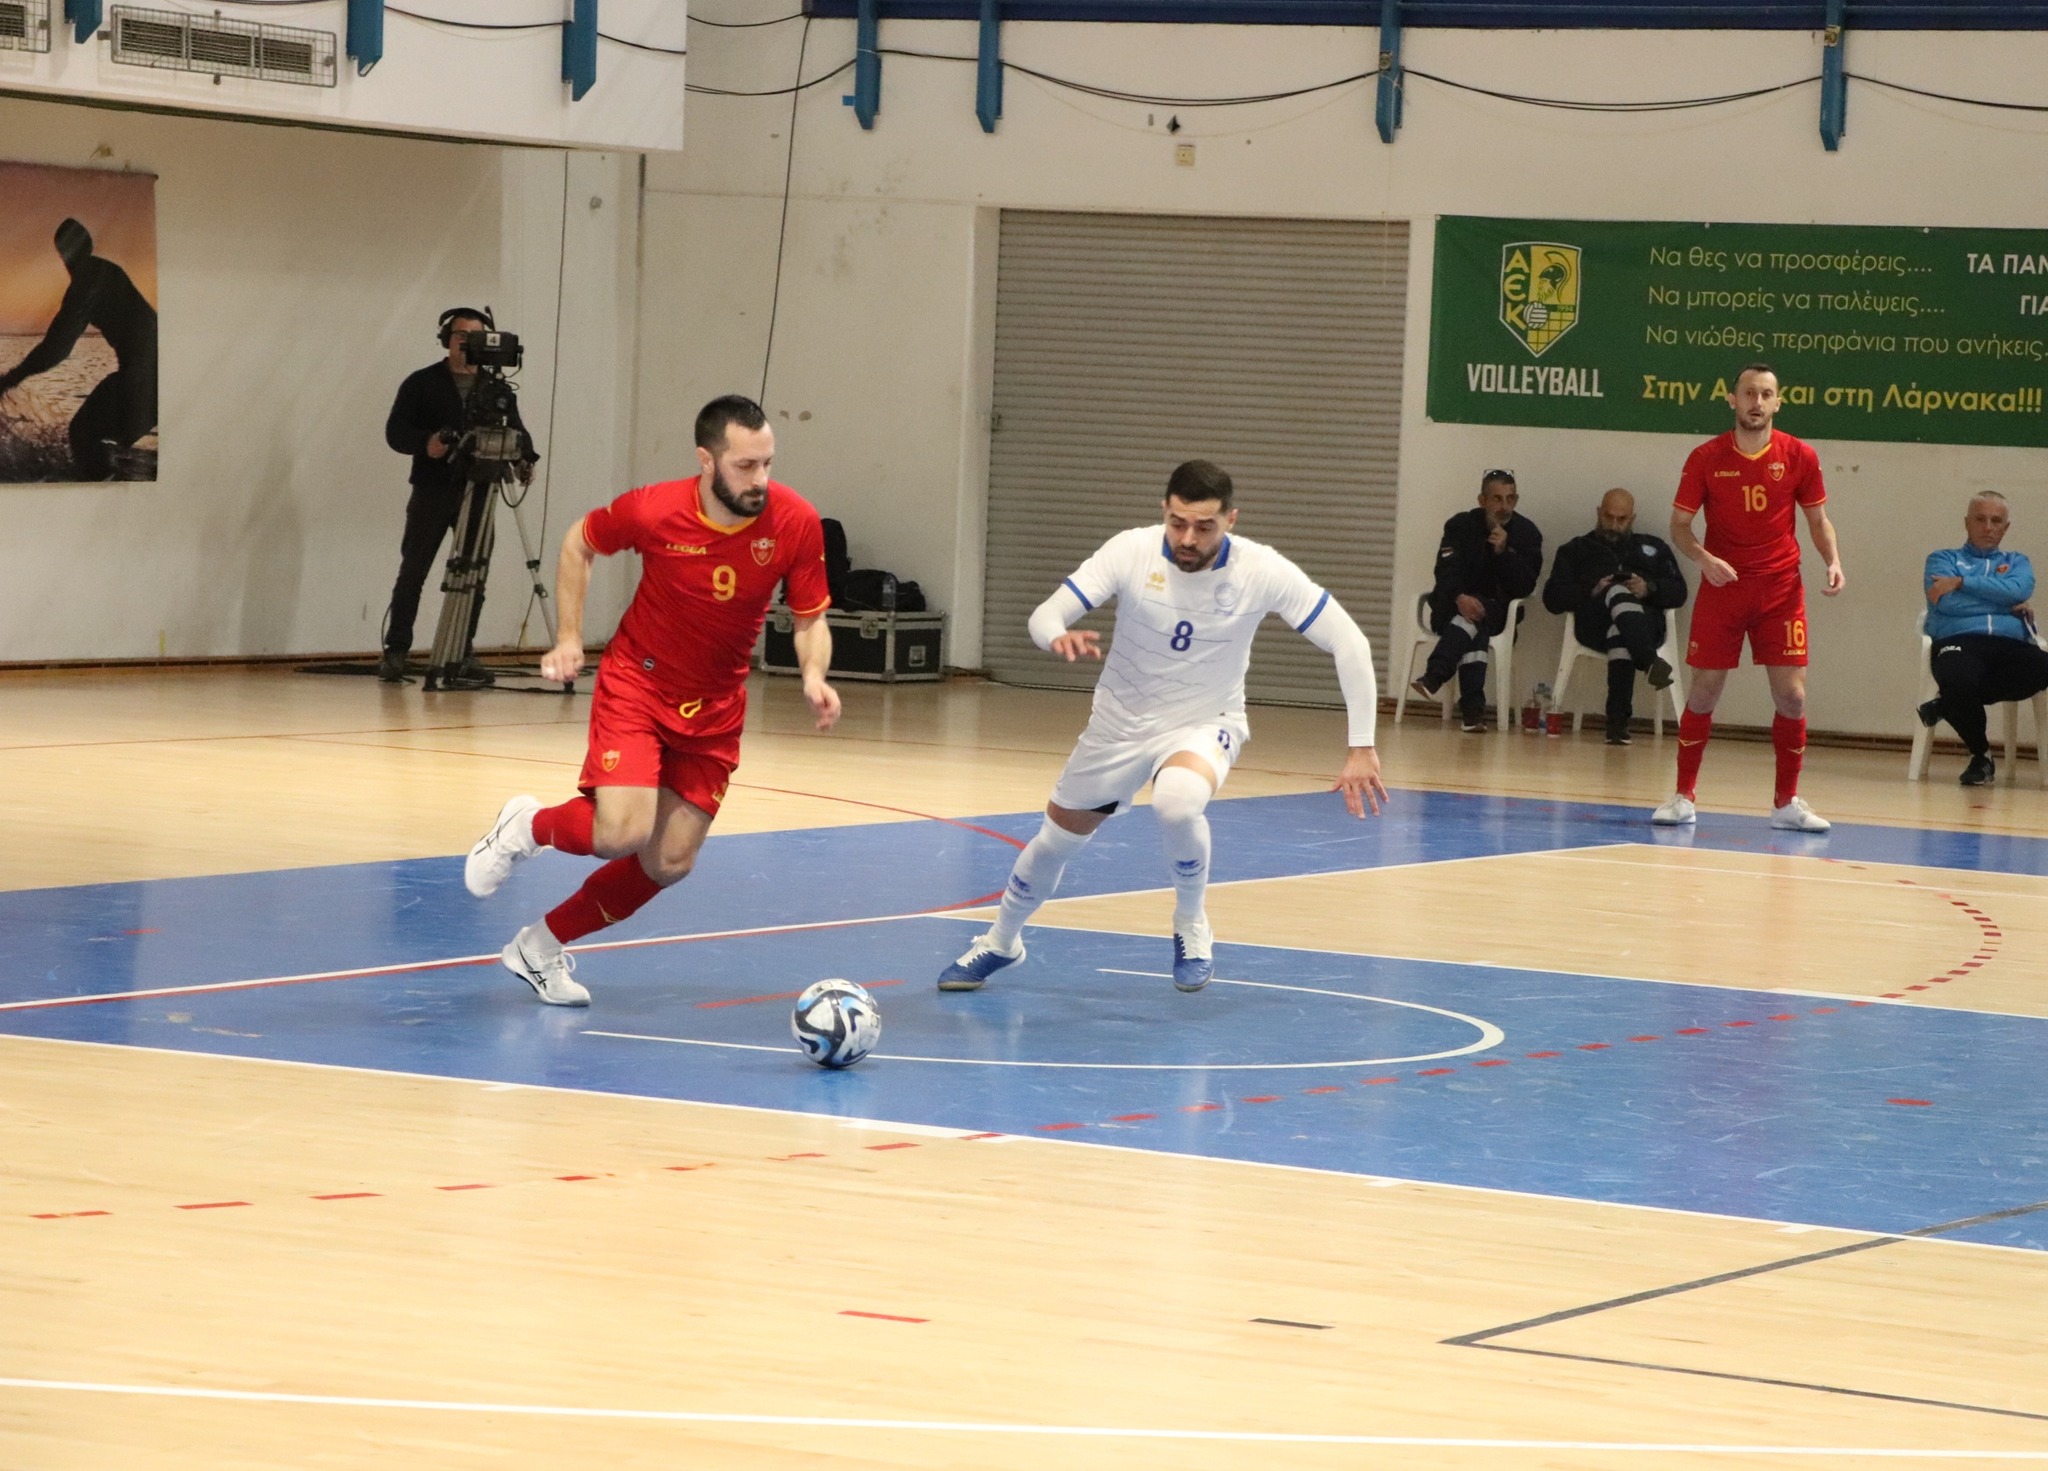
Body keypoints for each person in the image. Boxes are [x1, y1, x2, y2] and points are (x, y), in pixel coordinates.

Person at [936, 459, 1387, 996]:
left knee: (1177, 801)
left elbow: (1350, 642)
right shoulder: (1130, 550)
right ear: (1163, 512)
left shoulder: (1262, 570)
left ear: (1231, 521)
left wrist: (1362, 744)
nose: (1188, 538)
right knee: (1055, 843)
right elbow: (1043, 616)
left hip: (1206, 720)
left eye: (1204, 526)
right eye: (1177, 523)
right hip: (1118, 726)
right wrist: (1057, 636)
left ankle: (1192, 925)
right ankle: (1002, 940)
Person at [461, 394, 839, 1005]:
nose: (760, 480)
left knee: (668, 861)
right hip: (639, 683)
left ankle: (539, 947)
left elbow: (809, 620)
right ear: (707, 461)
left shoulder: (795, 521)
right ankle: (525, 826)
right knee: (621, 832)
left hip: (716, 707)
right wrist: (567, 637)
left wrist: (814, 676)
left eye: (767, 463)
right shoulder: (657, 509)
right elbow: (578, 543)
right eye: (746, 466)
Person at [1652, 362, 1844, 831]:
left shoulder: (1799, 455)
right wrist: (1703, 558)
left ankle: (1786, 803)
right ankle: (1682, 796)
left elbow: (1818, 519)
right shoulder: (1706, 457)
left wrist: (1833, 560)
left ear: (1778, 402)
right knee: (1704, 691)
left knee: (1793, 698)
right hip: (1723, 588)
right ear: (1732, 400)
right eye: (1748, 393)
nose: (1756, 402)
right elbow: (1679, 526)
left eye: (1766, 394)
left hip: (1780, 589)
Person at [378, 308, 537, 684]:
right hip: (434, 489)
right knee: (413, 571)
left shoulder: (496, 388)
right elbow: (395, 432)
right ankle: (397, 651)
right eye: (460, 336)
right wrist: (426, 442)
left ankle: (460, 652)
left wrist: (524, 460)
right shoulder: (422, 383)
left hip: (481, 489)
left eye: (475, 337)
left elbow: (515, 430)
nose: (466, 344)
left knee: (475, 574)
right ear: (446, 340)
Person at [0, 218, 158, 480]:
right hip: (157, 373)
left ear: (63, 254)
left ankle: (101, 497)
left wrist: (11, 378)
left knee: (82, 434)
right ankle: (113, 485)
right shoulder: (107, 271)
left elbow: (56, 348)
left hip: (144, 377)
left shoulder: (88, 281)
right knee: (101, 440)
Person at [1916, 491, 2048, 787]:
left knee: (2042, 666)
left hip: (2008, 644)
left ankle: (1946, 705)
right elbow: (1947, 604)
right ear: (1967, 523)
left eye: (1996, 520)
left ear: (2006, 527)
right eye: (1980, 519)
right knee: (1958, 676)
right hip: (1958, 640)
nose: (1988, 527)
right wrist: (2002, 603)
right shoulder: (1942, 559)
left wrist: (1962, 582)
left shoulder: (2018, 562)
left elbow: (2019, 590)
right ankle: (1981, 756)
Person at [1541, 488, 1686, 744]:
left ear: (1632, 518)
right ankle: (1648, 663)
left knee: (1620, 633)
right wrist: (1593, 589)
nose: (1614, 525)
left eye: (1622, 519)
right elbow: (1552, 598)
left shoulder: (1654, 547)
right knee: (1615, 593)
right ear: (1599, 513)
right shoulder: (1576, 549)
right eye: (1608, 517)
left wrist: (1648, 589)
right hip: (1593, 623)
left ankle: (1617, 725)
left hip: (1645, 624)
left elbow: (1679, 592)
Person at [1409, 471, 1543, 732]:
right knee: (1473, 625)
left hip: (1500, 613)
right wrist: (1460, 597)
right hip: (1452, 605)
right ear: (1482, 500)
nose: (1504, 507)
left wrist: (1504, 553)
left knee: (1476, 614)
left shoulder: (1527, 534)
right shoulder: (1460, 526)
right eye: (1497, 499)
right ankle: (1472, 714)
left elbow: (1525, 586)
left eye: (1510, 498)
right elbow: (1445, 571)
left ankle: (1435, 675)